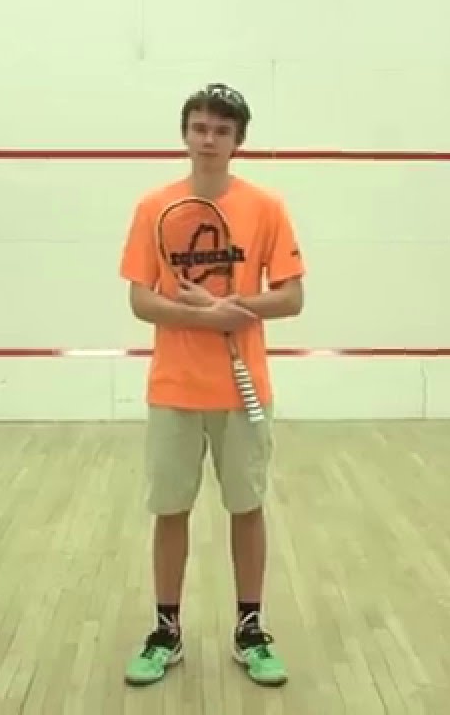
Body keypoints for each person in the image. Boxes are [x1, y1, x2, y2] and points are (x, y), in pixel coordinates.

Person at [117, 83, 305, 688]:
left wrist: (234, 307)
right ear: (186, 134)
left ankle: (250, 630)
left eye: (221, 130)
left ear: (237, 141)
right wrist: (206, 316)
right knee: (170, 510)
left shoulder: (266, 207)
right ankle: (166, 631)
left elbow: (292, 297)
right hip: (174, 389)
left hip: (244, 391)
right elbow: (141, 300)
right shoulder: (153, 207)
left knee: (246, 508)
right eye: (199, 127)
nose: (208, 139)